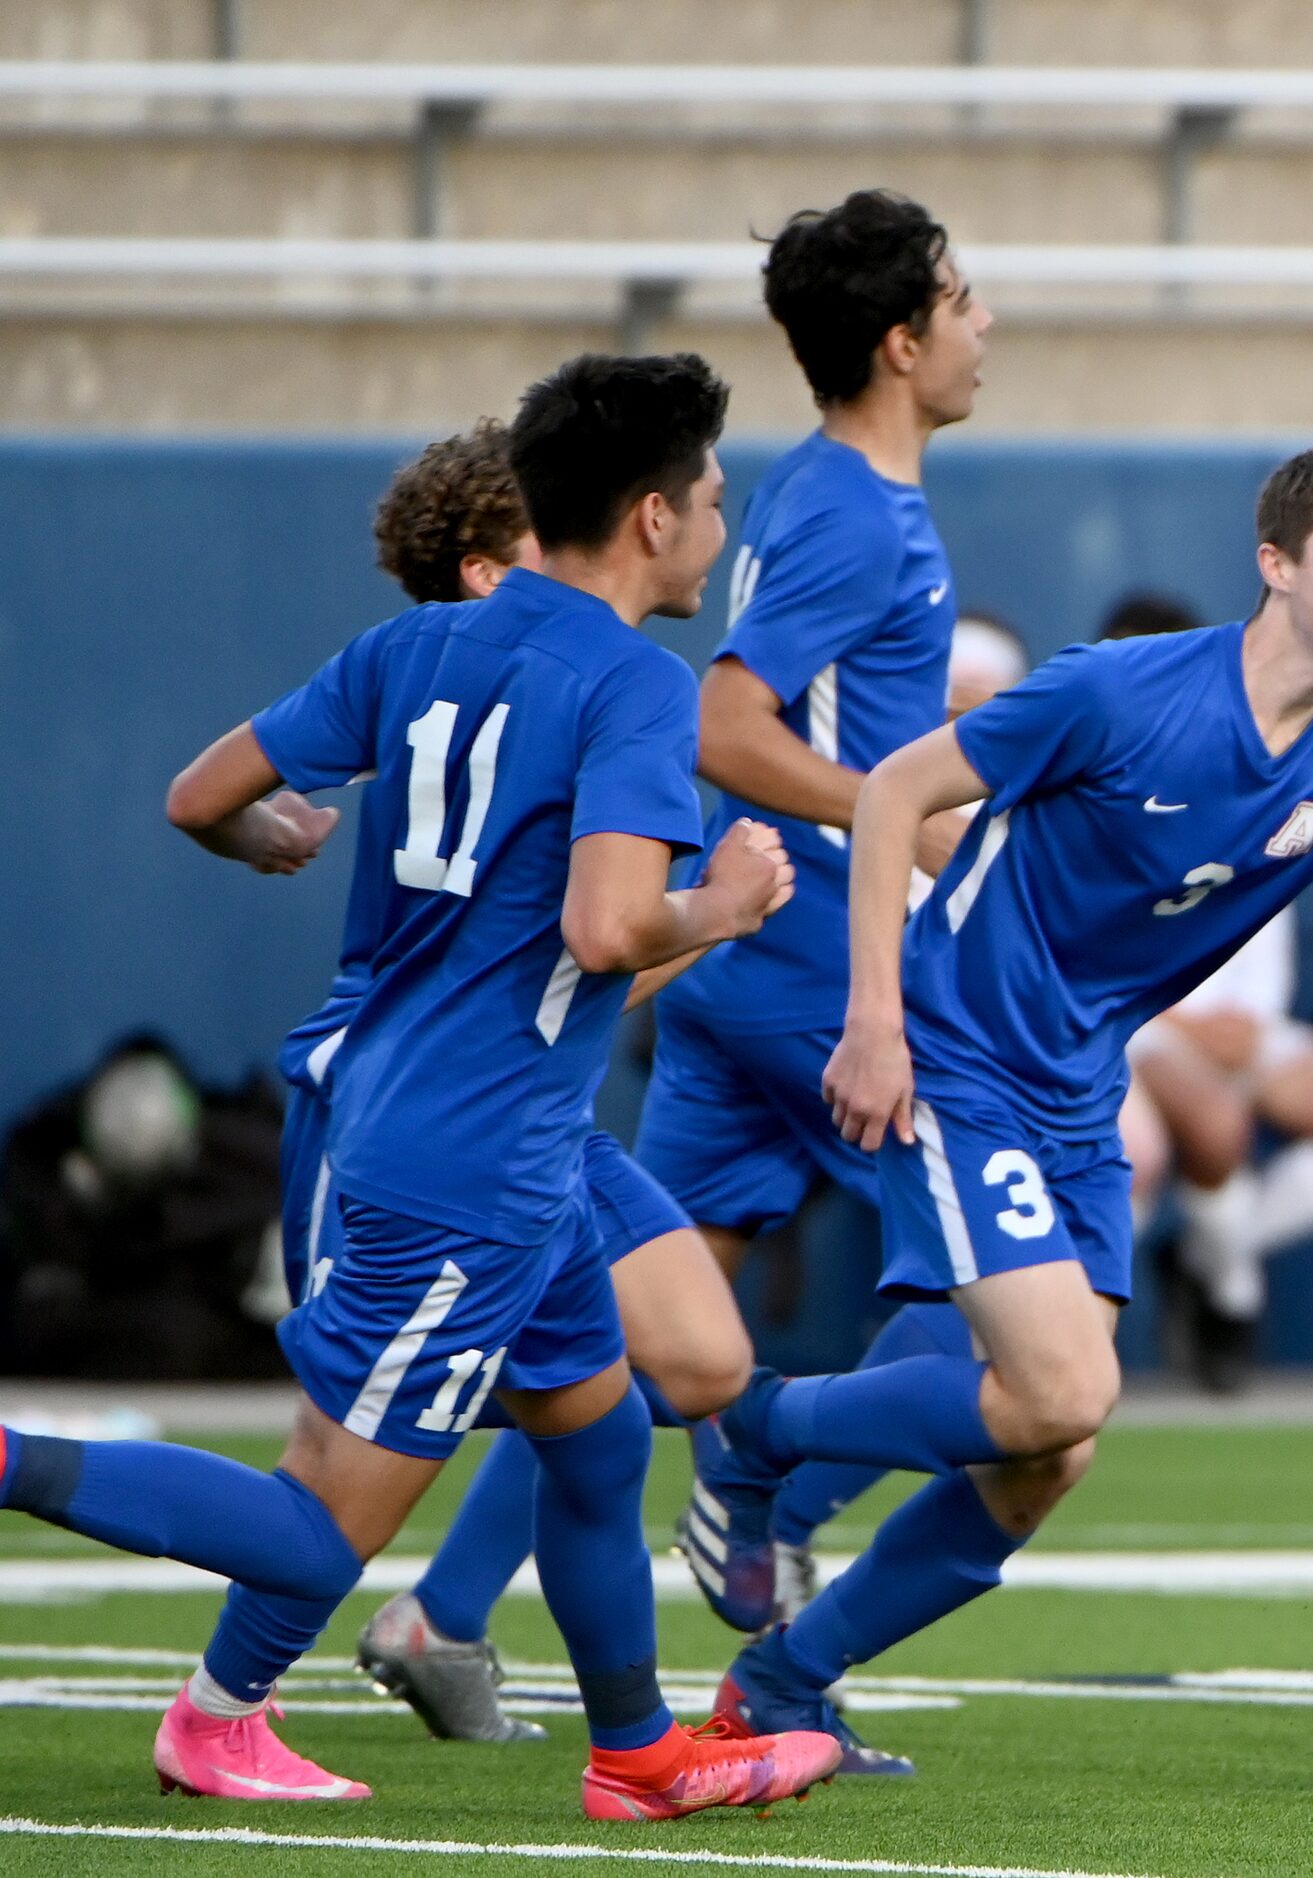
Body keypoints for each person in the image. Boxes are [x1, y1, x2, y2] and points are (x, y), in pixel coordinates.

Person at [0, 353, 843, 1819]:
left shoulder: (417, 644)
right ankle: (56, 1517)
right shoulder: (635, 684)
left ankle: (637, 1751)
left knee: (600, 1426)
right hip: (473, 1159)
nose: (723, 523)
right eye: (712, 498)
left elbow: (200, 795)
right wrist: (728, 899)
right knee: (318, 1533)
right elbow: (605, 924)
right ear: (650, 517)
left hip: (428, 1120)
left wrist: (263, 835)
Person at [689, 446, 1313, 1761]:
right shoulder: (1120, 691)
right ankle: (756, 1427)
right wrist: (873, 1017)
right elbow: (900, 787)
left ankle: (786, 1678)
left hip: (1083, 1083)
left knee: (1048, 1450)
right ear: (1278, 563)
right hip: (959, 1048)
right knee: (1061, 1387)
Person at [314, 419, 761, 1748]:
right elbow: (585, 945)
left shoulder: (531, 683)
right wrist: (716, 908)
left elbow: (577, 974)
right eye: (531, 540)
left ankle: (500, 1652)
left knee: (685, 1361)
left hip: (523, 1113)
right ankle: (224, 1694)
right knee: (324, 1493)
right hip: (439, 1120)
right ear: (481, 571)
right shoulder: (554, 684)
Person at [631, 192, 989, 1674]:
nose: (987, 326)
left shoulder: (813, 486)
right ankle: (767, 1466)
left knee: (628, 1314)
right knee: (1004, 1304)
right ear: (903, 342)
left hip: (748, 946)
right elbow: (727, 722)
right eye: (963, 300)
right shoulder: (857, 511)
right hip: (824, 961)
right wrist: (899, 808)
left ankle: (440, 1615)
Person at [1099, 593, 1313, 1390]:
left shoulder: (1258, 764)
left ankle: (1210, 1256)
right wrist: (1180, 1018)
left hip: (1243, 1023)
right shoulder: (1090, 777)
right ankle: (1231, 1297)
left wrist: (1249, 1024)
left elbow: (1264, 913)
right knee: (1214, 1127)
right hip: (1134, 1026)